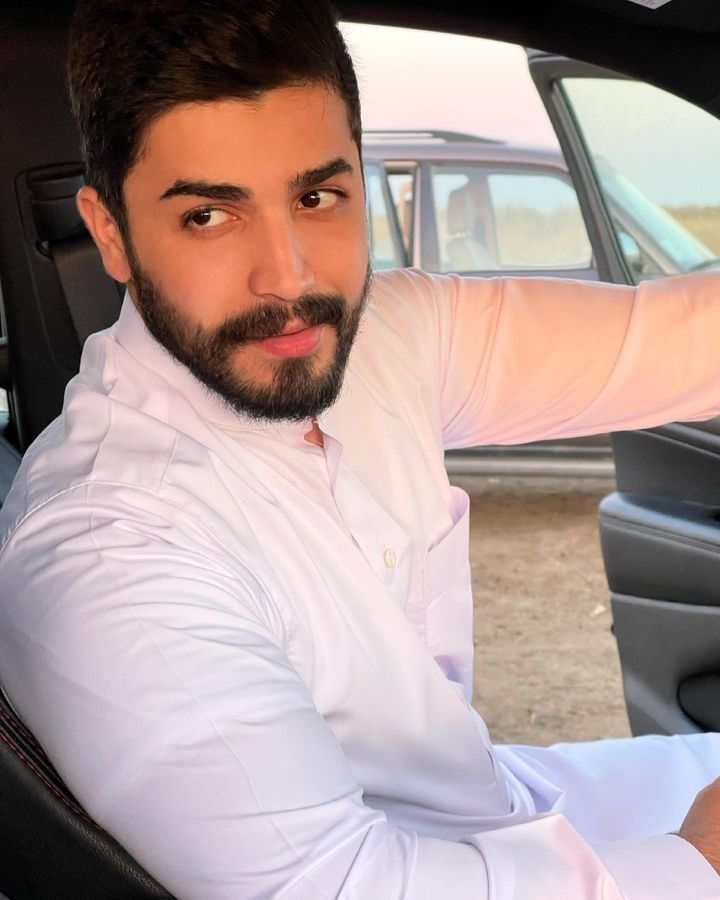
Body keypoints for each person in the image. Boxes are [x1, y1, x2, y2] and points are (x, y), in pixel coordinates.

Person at [0, 0, 719, 896]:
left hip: (496, 806)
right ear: (110, 232)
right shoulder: (112, 547)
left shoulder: (385, 339)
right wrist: (694, 863)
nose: (289, 277)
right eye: (210, 216)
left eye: (316, 198)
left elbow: (674, 343)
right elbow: (337, 886)